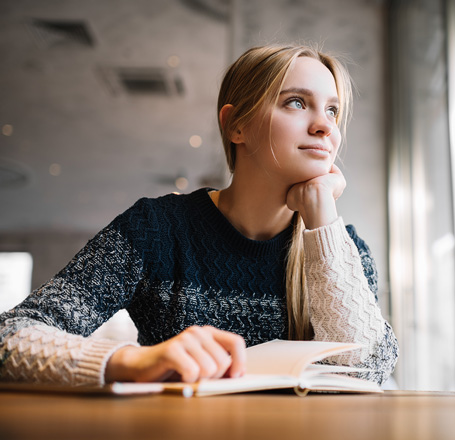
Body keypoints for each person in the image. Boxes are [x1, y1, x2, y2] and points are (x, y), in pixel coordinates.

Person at [0, 44, 398, 387]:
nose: (324, 126)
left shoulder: (342, 250)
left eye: (332, 110)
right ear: (236, 125)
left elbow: (369, 370)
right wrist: (130, 362)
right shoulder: (155, 229)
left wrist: (322, 214)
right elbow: (10, 337)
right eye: (296, 102)